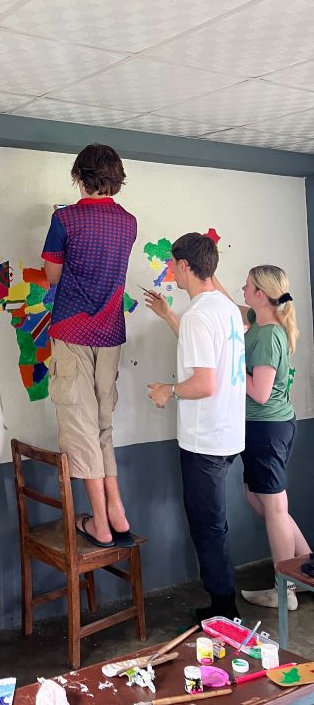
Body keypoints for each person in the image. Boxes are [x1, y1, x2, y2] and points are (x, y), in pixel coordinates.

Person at [145, 232, 246, 620]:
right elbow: (208, 356)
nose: (170, 269)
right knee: (213, 524)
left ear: (185, 266)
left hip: (205, 441)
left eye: (173, 263)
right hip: (227, 434)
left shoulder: (199, 316)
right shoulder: (223, 309)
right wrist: (169, 316)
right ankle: (222, 604)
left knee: (208, 527)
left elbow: (204, 383)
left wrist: (167, 391)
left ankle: (224, 611)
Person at [41, 144, 137, 549]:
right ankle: (117, 509)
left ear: (79, 175)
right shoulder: (129, 223)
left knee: (79, 427)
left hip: (72, 330)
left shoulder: (65, 219)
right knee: (102, 423)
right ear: (116, 178)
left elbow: (52, 274)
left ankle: (99, 523)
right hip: (111, 330)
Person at [213, 266, 310, 611]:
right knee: (260, 500)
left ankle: (285, 591)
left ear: (261, 294)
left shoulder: (267, 335)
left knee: (272, 506)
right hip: (263, 429)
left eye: (248, 284)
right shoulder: (259, 319)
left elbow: (261, 392)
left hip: (267, 428)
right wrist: (210, 280)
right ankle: (305, 565)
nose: (242, 287)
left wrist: (233, 361)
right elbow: (230, 304)